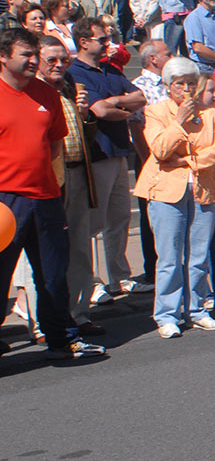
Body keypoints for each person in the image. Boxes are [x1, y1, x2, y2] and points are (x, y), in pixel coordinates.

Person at [0, 28, 106, 359]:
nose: (33, 61)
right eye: (25, 55)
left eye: (35, 54)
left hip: (46, 199)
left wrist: (53, 184)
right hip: (5, 204)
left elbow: (56, 144)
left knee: (53, 275)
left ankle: (62, 338)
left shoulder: (48, 95)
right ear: (3, 56)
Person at [135, 57, 215, 338]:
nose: (186, 89)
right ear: (167, 86)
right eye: (179, 84)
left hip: (202, 188)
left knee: (199, 255)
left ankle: (197, 309)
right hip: (165, 191)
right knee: (170, 256)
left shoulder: (209, 114)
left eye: (190, 83)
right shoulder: (155, 112)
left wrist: (188, 161)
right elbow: (160, 150)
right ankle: (167, 314)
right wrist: (178, 122)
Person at [68, 15, 146, 307]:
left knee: (120, 218)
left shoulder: (111, 70)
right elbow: (97, 111)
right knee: (92, 224)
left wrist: (115, 104)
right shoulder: (75, 72)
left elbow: (140, 97)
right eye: (102, 39)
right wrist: (119, 105)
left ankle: (119, 276)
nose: (107, 44)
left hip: (117, 152)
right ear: (84, 41)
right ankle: (91, 282)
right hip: (96, 154)